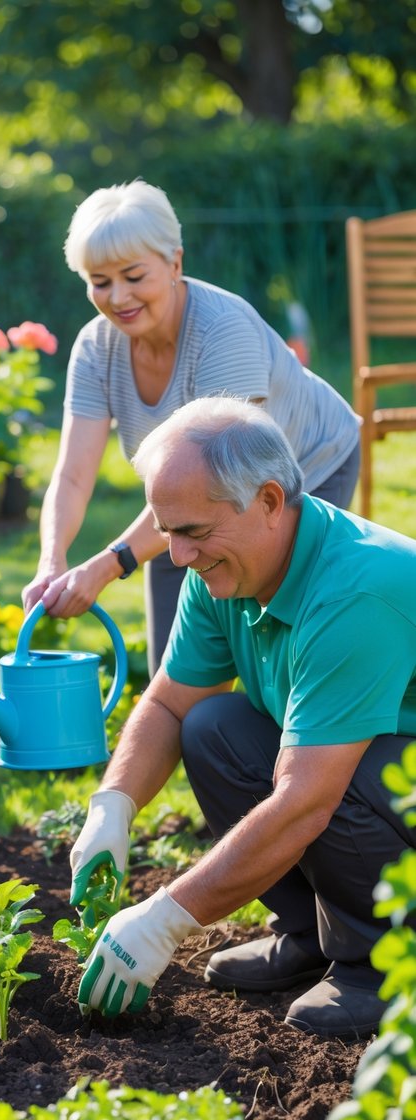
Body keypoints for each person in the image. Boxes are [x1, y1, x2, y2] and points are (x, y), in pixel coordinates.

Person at [70, 396, 416, 1038]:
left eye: (194, 532)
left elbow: (306, 802)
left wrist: (164, 920)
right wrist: (111, 805)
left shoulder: (358, 590)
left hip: (387, 780)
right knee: (214, 728)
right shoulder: (223, 573)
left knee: (338, 771)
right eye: (167, 530)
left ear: (268, 501)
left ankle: (388, 967)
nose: (176, 556)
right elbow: (173, 703)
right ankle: (311, 934)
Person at [23, 180, 361, 676]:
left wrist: (110, 562)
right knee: (174, 674)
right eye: (99, 281)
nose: (117, 297)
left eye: (134, 276)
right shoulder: (96, 348)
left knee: (270, 628)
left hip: (308, 463)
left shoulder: (223, 329)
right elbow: (73, 474)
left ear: (175, 262)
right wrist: (51, 560)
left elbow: (222, 478)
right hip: (183, 498)